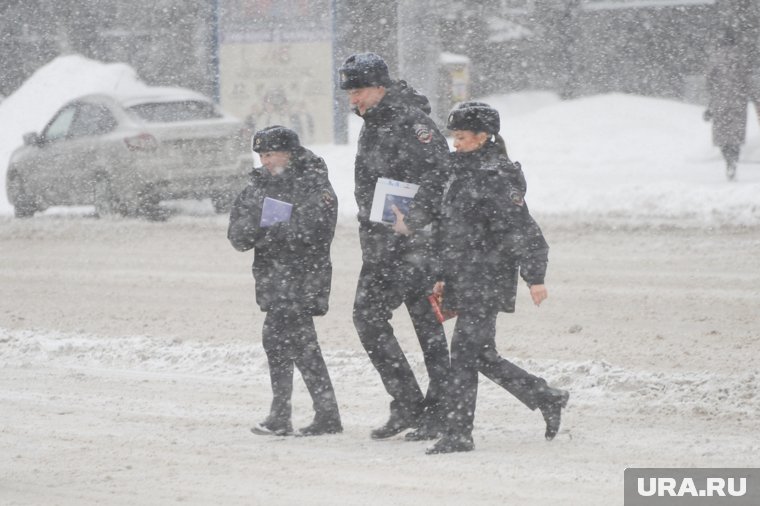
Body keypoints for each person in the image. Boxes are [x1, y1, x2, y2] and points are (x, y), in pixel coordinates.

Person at [421, 102, 569, 454]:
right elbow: (451, 231)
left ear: (483, 137)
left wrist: (535, 277)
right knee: (480, 355)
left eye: (460, 137)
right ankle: (546, 396)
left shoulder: (497, 176)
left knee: (463, 353)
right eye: (453, 137)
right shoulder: (459, 172)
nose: (454, 144)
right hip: (464, 275)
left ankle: (458, 433)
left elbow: (523, 230)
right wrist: (442, 274)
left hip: (487, 278)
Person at [338, 52, 451, 440]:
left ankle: (440, 412)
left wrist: (410, 222)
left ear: (380, 87)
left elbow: (440, 176)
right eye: (349, 93)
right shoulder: (375, 121)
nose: (353, 100)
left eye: (358, 91)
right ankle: (407, 402)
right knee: (367, 318)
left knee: (428, 327)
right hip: (383, 243)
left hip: (415, 243)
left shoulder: (411, 121)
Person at [227, 125, 342, 437]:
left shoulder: (313, 181)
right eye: (261, 155)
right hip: (273, 276)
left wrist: (271, 230)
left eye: (270, 154)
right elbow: (237, 235)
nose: (265, 161)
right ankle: (322, 413)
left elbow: (316, 231)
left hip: (303, 275)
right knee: (297, 343)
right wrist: (263, 228)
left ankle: (286, 414)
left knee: (283, 339)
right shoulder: (258, 185)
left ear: (289, 154)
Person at [703, 0, 760, 181]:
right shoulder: (742, 58)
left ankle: (728, 160)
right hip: (738, 101)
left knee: (722, 135)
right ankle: (732, 161)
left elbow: (709, 82)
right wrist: (754, 97)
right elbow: (749, 80)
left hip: (721, 102)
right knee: (735, 135)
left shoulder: (715, 58)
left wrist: (711, 103)